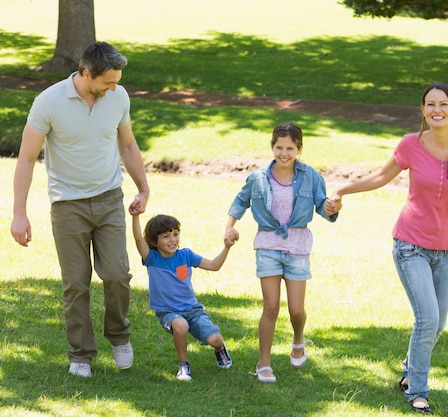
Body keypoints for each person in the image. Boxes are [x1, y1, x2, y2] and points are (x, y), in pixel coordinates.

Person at [326, 81, 448, 414]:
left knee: (436, 324)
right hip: (410, 246)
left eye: (443, 104)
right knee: (427, 320)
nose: (437, 110)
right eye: (430, 105)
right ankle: (417, 390)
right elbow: (381, 177)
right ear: (423, 110)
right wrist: (343, 190)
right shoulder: (411, 144)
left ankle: (410, 370)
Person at [10, 42, 150, 378]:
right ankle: (81, 355)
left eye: (117, 81)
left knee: (118, 274)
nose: (113, 87)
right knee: (76, 283)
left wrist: (143, 187)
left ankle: (118, 336)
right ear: (86, 74)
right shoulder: (49, 101)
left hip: (109, 199)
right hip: (67, 204)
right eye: (107, 81)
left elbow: (127, 144)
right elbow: (27, 157)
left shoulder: (118, 97)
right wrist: (19, 212)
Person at [225, 122, 340, 383]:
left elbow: (323, 206)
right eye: (279, 147)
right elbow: (240, 201)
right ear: (272, 147)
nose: (284, 153)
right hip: (267, 245)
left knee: (297, 310)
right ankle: (263, 363)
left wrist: (332, 207)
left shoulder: (311, 176)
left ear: (299, 148)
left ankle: (298, 339)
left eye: (290, 148)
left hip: (298, 247)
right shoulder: (258, 177)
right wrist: (229, 227)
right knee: (271, 306)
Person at [132, 213, 238, 380]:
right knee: (180, 325)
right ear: (153, 242)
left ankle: (220, 350)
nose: (172, 239)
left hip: (193, 310)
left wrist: (227, 247)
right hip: (167, 312)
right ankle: (184, 365)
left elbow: (213, 265)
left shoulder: (186, 255)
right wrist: (135, 216)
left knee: (215, 339)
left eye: (175, 234)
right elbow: (138, 239)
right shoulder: (152, 258)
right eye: (166, 236)